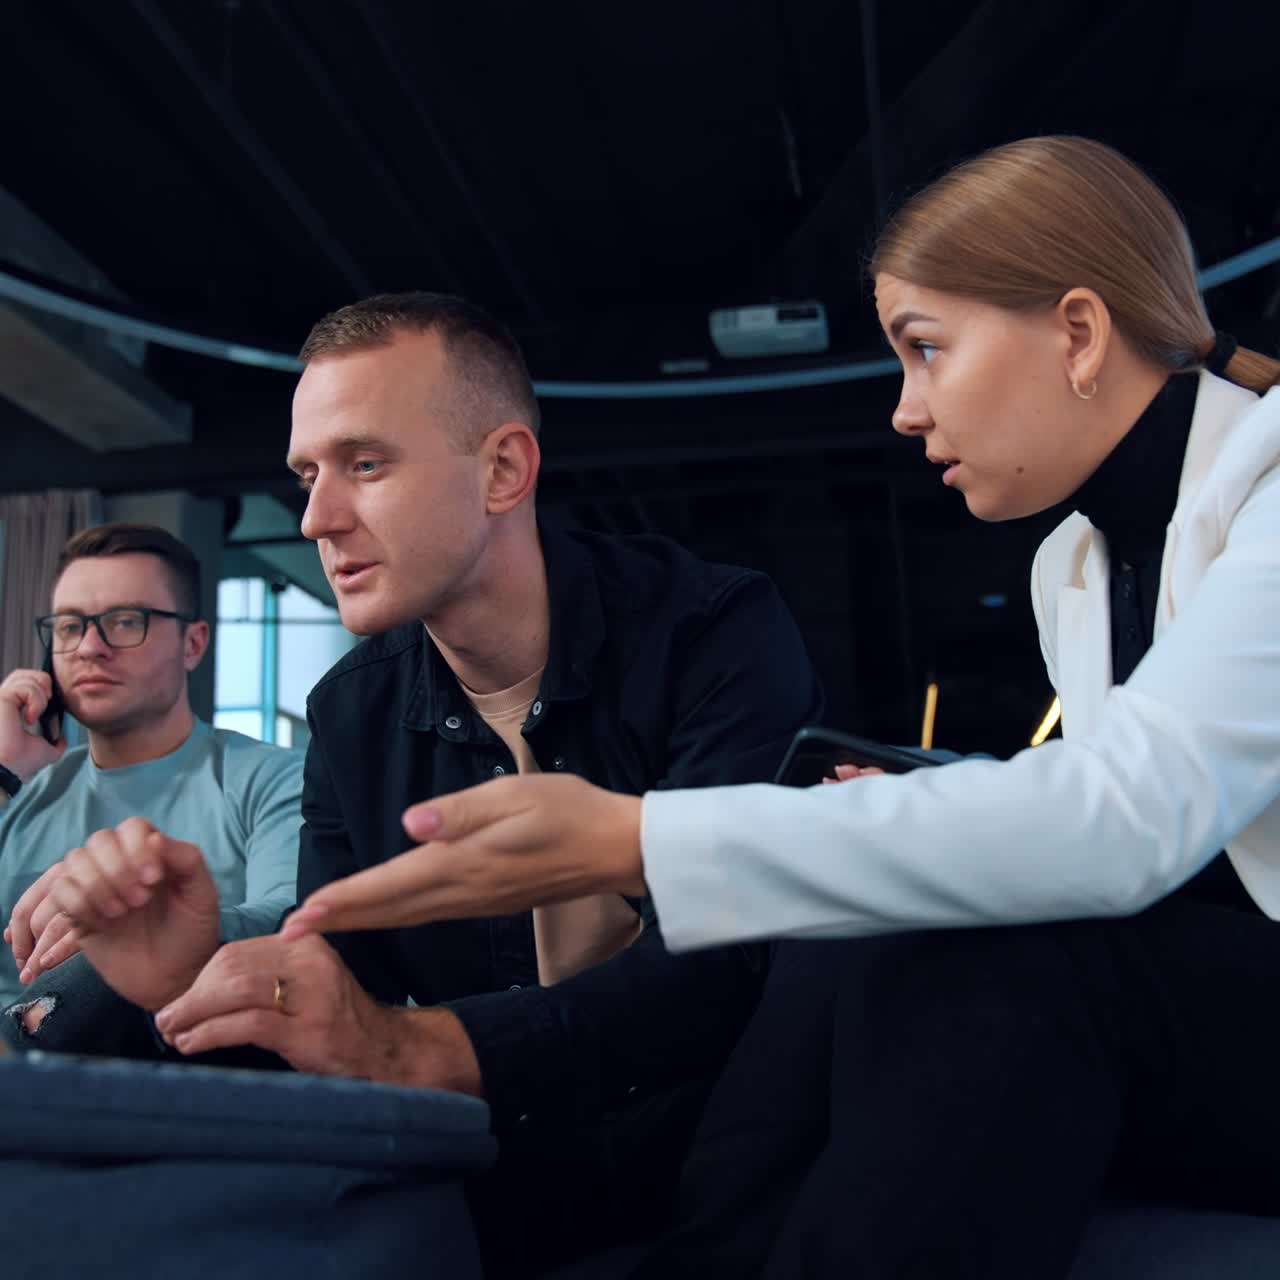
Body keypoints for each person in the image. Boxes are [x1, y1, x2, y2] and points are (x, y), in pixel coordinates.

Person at [275, 137, 1280, 1277]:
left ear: (1077, 332)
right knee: (877, 906)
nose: (904, 410)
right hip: (1212, 1028)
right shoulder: (1074, 568)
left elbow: (1133, 821)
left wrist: (632, 832)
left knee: (989, 946)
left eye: (925, 349)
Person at [44, 293, 822, 1273]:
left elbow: (724, 968)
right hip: (478, 1191)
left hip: (721, 1190)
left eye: (364, 463)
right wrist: (193, 983)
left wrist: (418, 1045)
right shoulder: (346, 712)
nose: (319, 517)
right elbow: (344, 1008)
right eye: (307, 474)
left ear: (502, 468)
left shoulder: (713, 631)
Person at [0, 523, 302, 1047]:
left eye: (124, 621)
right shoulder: (26, 794)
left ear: (193, 643)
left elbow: (294, 925)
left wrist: (152, 929)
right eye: (70, 627)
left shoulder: (270, 780)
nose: (90, 647)